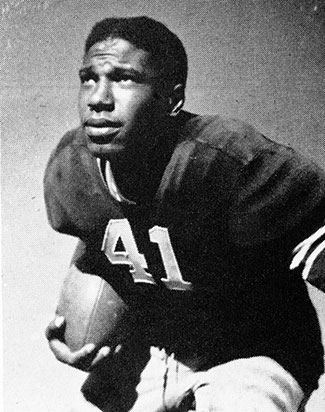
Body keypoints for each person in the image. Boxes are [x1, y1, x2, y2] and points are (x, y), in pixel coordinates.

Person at [44, 16, 325, 412]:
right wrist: (81, 325)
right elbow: (98, 239)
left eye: (124, 79)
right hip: (159, 346)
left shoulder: (228, 163)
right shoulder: (73, 168)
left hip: (254, 352)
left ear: (172, 100)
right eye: (89, 78)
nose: (98, 98)